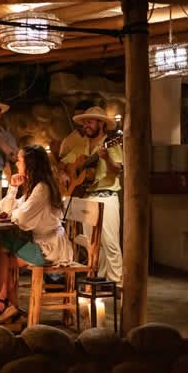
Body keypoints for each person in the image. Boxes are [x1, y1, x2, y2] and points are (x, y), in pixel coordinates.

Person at [0, 145, 73, 323]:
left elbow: (20, 218)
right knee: (2, 245)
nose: (17, 164)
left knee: (3, 257)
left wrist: (12, 213)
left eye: (19, 161)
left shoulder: (42, 189)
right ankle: (9, 305)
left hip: (48, 248)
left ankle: (5, 302)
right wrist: (13, 188)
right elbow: (6, 209)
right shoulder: (33, 186)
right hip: (37, 241)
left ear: (30, 164)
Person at [61, 106, 123, 284]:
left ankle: (117, 283)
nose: (86, 125)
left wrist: (107, 159)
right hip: (87, 197)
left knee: (110, 243)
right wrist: (64, 173)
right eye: (84, 122)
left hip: (106, 196)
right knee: (93, 244)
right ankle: (100, 279)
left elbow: (118, 169)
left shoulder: (112, 143)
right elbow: (63, 163)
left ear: (101, 124)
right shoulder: (82, 146)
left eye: (90, 121)